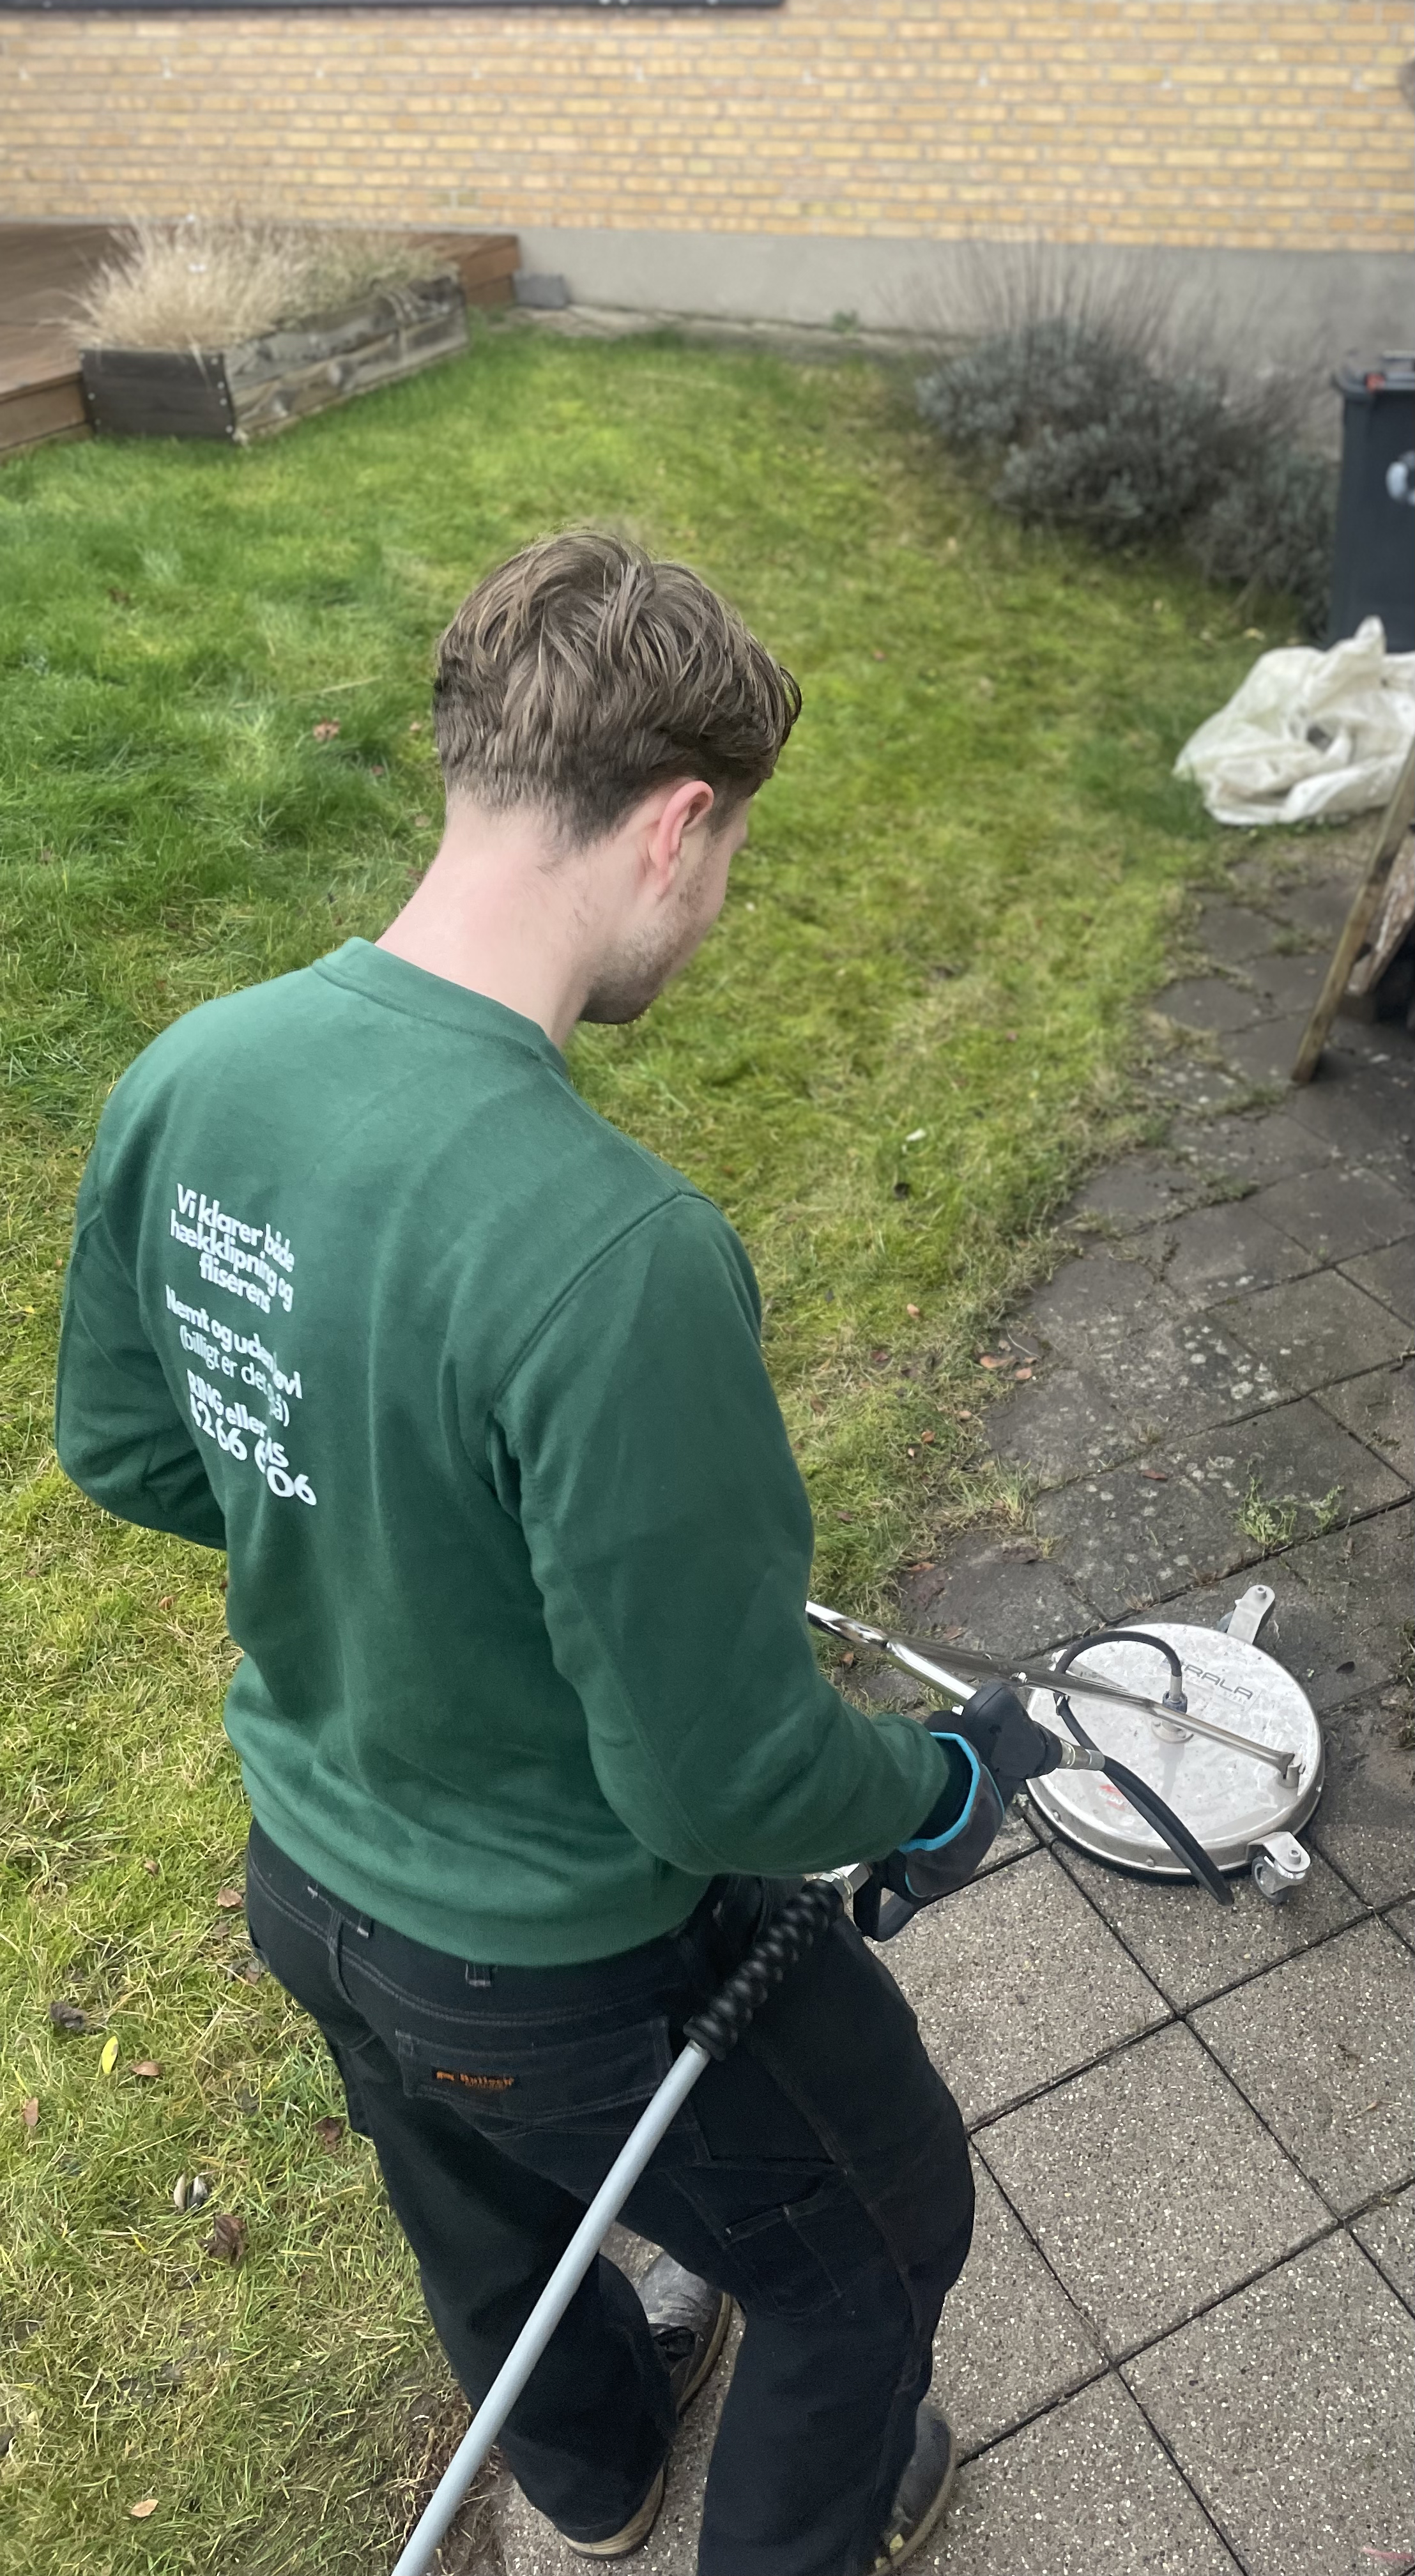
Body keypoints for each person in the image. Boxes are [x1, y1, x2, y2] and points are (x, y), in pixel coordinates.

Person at [55, 532, 1057, 2576]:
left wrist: (374, 1534)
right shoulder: (617, 1253)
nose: (718, 908)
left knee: (485, 2200)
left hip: (309, 1873)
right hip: (561, 1950)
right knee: (877, 2242)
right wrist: (935, 1784)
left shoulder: (193, 1074)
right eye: (736, 857)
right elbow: (719, 1780)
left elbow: (133, 1447)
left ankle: (589, 2472)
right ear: (677, 828)